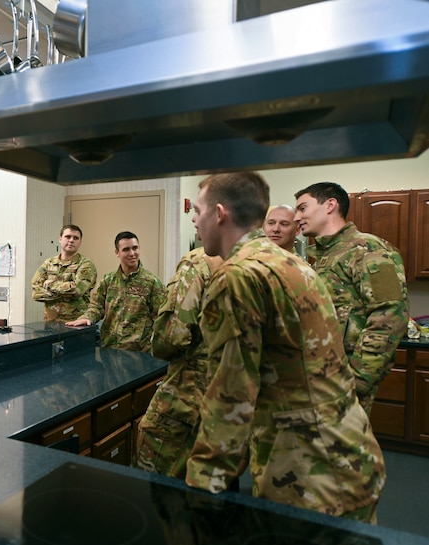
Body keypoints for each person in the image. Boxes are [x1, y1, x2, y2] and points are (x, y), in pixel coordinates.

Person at [186, 172, 385, 523]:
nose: (193, 218)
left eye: (198, 210)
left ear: (219, 213)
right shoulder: (291, 262)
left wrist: (202, 488)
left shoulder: (238, 276)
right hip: (347, 453)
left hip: (308, 473)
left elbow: (231, 395)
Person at [294, 182, 408, 414]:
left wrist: (358, 380)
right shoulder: (326, 256)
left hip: (345, 382)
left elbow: (389, 316)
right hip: (321, 378)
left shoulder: (366, 249)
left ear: (330, 205)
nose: (297, 217)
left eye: (302, 208)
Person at [134, 247, 222, 478]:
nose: (193, 218)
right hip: (229, 397)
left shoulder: (199, 263)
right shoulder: (262, 261)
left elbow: (171, 336)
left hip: (189, 391)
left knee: (152, 478)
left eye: (199, 210)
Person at [66, 231, 165, 352]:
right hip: (109, 349)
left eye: (135, 248)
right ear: (117, 253)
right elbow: (96, 307)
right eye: (126, 249)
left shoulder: (152, 282)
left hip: (138, 353)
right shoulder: (108, 280)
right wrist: (87, 317)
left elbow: (161, 319)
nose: (132, 253)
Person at [31, 224, 97, 322]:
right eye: (67, 237)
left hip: (76, 323)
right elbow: (35, 292)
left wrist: (49, 284)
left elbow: (77, 290)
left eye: (75, 238)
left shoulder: (86, 264)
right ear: (60, 239)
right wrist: (64, 292)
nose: (71, 240)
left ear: (80, 243)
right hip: (50, 322)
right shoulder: (49, 263)